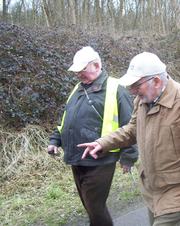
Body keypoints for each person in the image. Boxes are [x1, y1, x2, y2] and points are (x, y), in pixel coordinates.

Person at [78, 52, 180, 226]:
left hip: (176, 191)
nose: (132, 91)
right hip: (151, 189)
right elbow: (132, 130)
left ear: (156, 82)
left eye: (136, 85)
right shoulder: (142, 100)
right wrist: (102, 142)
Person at [47, 46, 138, 226]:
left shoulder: (116, 88)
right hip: (77, 157)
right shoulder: (78, 89)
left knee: (93, 204)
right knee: (89, 204)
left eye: (83, 70)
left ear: (96, 65)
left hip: (102, 157)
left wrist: (128, 157)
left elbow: (130, 126)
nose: (79, 74)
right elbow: (66, 118)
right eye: (77, 71)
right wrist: (55, 140)